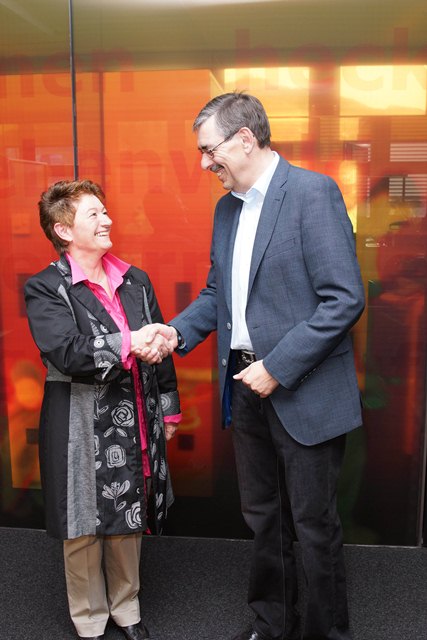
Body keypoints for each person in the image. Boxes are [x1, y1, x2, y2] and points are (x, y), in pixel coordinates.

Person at [157, 92, 365, 640]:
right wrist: (175, 331)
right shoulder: (227, 209)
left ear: (245, 139)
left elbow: (344, 299)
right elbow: (218, 294)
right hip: (245, 388)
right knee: (264, 518)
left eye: (209, 150)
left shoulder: (312, 193)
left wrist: (278, 366)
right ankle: (271, 624)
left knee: (313, 525)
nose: (204, 163)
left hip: (303, 388)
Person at [24, 179, 181, 640]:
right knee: (82, 522)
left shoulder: (136, 280)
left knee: (129, 515)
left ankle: (127, 608)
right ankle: (89, 617)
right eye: (94, 214)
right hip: (77, 419)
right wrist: (131, 341)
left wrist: (168, 409)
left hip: (136, 413)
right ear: (63, 230)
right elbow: (65, 352)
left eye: (105, 211)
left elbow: (160, 349)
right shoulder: (46, 287)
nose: (107, 220)